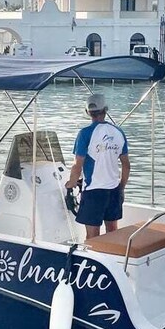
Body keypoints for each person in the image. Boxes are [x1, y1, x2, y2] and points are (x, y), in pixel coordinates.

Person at [65, 93, 130, 240]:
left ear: (87, 112)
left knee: (93, 236)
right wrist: (121, 187)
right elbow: (126, 165)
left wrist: (71, 183)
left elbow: (77, 165)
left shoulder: (85, 133)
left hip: (94, 191)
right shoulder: (119, 132)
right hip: (114, 189)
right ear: (105, 110)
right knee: (112, 231)